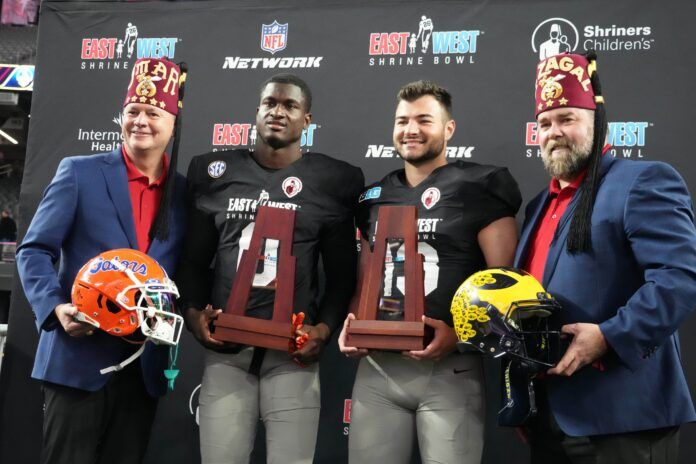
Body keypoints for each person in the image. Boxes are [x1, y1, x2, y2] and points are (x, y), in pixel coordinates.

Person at [514, 50, 696, 463]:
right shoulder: (538, 205)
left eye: (567, 119)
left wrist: (609, 337)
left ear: (598, 123)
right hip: (550, 418)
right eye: (545, 123)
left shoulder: (643, 181)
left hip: (623, 419)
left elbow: (678, 280)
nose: (554, 132)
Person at [177, 73, 364, 464]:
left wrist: (324, 330)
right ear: (257, 110)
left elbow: (342, 275)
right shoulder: (214, 173)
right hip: (227, 352)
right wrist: (194, 314)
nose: (278, 112)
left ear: (307, 120)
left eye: (290, 105)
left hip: (291, 356)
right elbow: (193, 261)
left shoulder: (331, 181)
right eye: (270, 103)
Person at [338, 80, 521, 464]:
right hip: (377, 369)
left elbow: (505, 286)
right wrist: (352, 324)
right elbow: (366, 276)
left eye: (424, 119)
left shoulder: (480, 186)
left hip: (449, 368)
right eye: (402, 120)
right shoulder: (374, 196)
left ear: (448, 128)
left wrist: (458, 335)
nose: (411, 130)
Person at [16, 57, 187, 464]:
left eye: (153, 112)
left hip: (143, 365)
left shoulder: (184, 193)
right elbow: (34, 250)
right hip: (77, 360)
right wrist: (55, 309)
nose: (140, 121)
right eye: (132, 112)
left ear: (173, 122)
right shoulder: (80, 172)